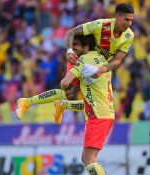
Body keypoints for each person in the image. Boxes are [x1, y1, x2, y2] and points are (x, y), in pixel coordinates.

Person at [16, 3, 134, 119]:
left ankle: (62, 105)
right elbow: (70, 33)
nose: (129, 24)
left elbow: (118, 60)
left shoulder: (129, 36)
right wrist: (69, 51)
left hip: (100, 67)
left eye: (131, 20)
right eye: (126, 20)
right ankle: (27, 102)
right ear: (117, 16)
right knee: (69, 92)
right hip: (83, 60)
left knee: (97, 105)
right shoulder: (100, 25)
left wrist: (103, 69)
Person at [57, 33, 115, 175]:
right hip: (103, 111)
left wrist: (71, 64)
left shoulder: (83, 59)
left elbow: (64, 84)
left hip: (98, 114)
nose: (73, 48)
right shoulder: (102, 58)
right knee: (86, 158)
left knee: (89, 159)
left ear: (85, 45)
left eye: (76, 44)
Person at [15, 35, 92, 119]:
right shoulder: (73, 59)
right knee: (68, 94)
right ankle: (28, 102)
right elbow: (65, 83)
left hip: (78, 86)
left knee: (82, 102)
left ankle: (30, 102)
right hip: (69, 81)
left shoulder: (63, 57)